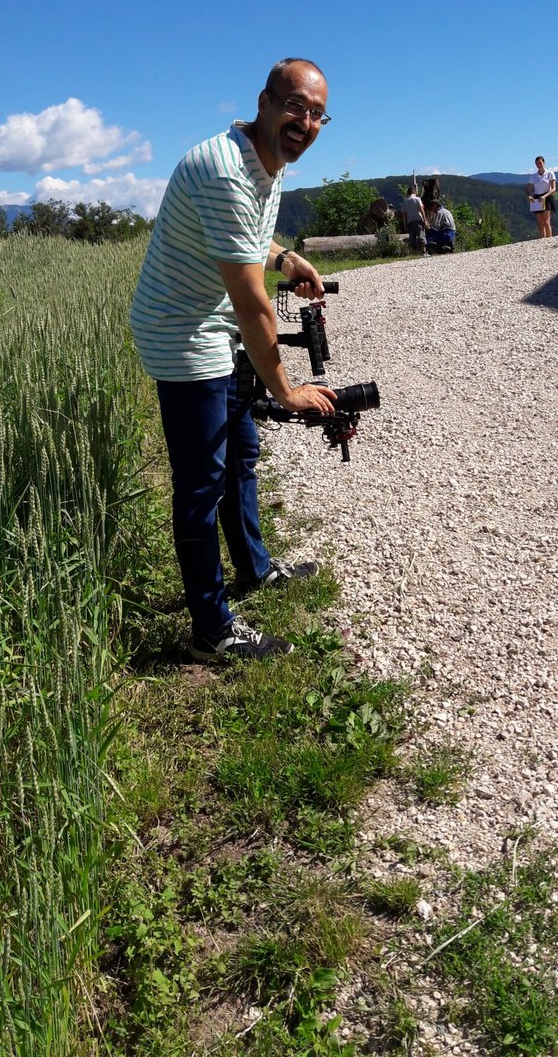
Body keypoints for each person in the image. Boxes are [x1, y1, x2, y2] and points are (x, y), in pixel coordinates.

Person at [130, 58, 337, 663]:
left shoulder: (261, 163)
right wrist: (286, 389)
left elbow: (245, 242)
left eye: (318, 113)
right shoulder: (226, 172)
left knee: (241, 452)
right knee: (200, 482)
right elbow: (252, 308)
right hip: (182, 330)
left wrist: (284, 259)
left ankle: (254, 569)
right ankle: (210, 630)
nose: (305, 121)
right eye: (295, 105)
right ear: (265, 103)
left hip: (212, 326)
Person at [528, 155, 556, 238]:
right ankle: (542, 242)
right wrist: (530, 196)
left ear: (544, 162)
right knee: (540, 222)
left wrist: (544, 196)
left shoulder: (550, 174)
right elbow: (528, 189)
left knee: (546, 222)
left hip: (547, 197)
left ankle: (549, 240)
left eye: (540, 163)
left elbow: (554, 189)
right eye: (537, 163)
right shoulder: (533, 176)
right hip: (537, 198)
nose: (539, 165)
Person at [402, 184, 428, 254]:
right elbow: (421, 209)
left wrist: (405, 225)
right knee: (421, 237)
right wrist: (425, 220)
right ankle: (423, 252)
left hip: (410, 222)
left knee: (412, 239)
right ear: (414, 192)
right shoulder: (417, 199)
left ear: (408, 193)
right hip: (418, 220)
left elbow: (404, 215)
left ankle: (413, 253)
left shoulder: (405, 201)